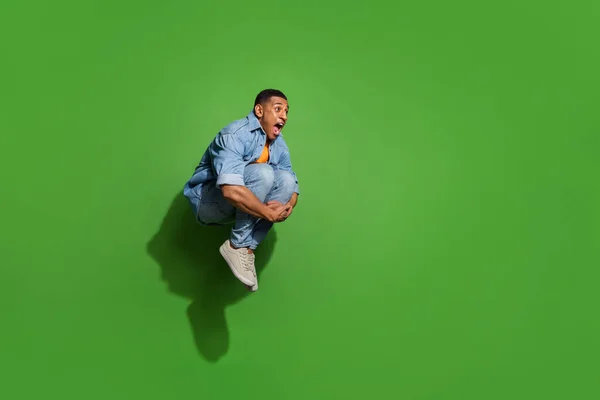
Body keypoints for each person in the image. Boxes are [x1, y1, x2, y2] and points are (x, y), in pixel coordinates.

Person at [182, 89, 299, 292]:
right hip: (207, 203)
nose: (284, 116)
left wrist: (288, 205)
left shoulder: (280, 145)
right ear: (259, 110)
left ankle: (245, 249)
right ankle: (237, 246)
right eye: (278, 109)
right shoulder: (234, 135)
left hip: (239, 207)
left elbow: (293, 183)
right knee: (263, 173)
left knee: (286, 181)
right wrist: (267, 213)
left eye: (287, 112)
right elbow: (230, 190)